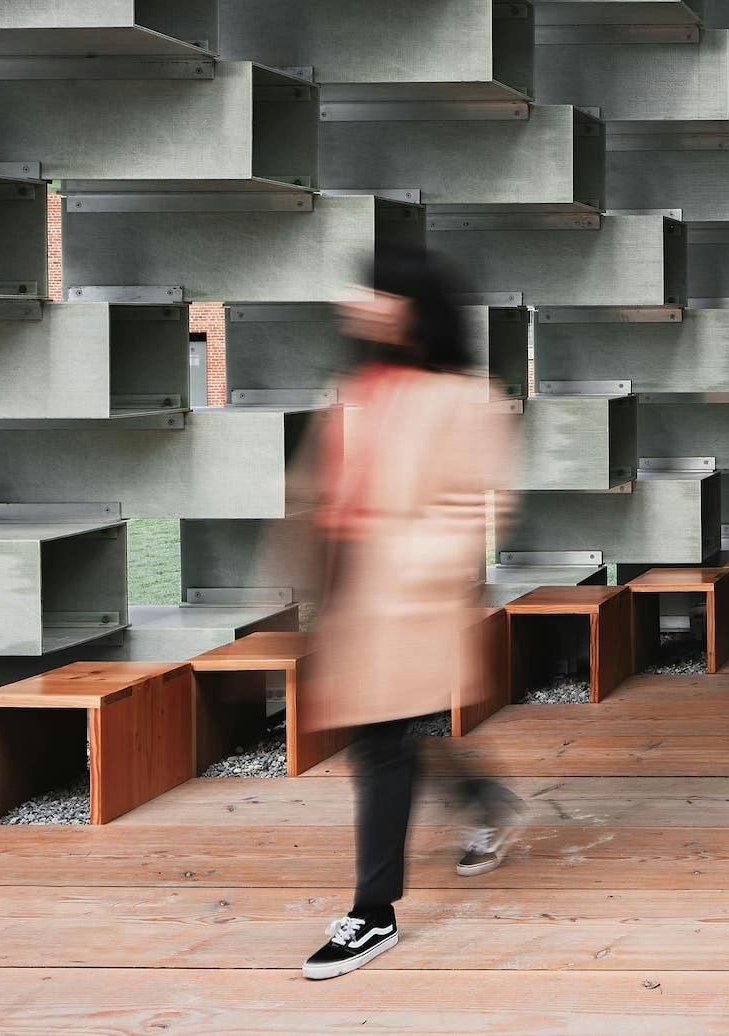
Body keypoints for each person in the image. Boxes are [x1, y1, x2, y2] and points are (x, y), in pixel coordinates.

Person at [298, 246, 522, 980]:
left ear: (414, 308)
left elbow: (482, 501)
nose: (358, 300)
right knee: (392, 730)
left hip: (409, 595)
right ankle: (484, 799)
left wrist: (417, 571)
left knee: (379, 740)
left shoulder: (467, 397)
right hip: (355, 592)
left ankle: (373, 912)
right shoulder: (358, 386)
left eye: (377, 290)